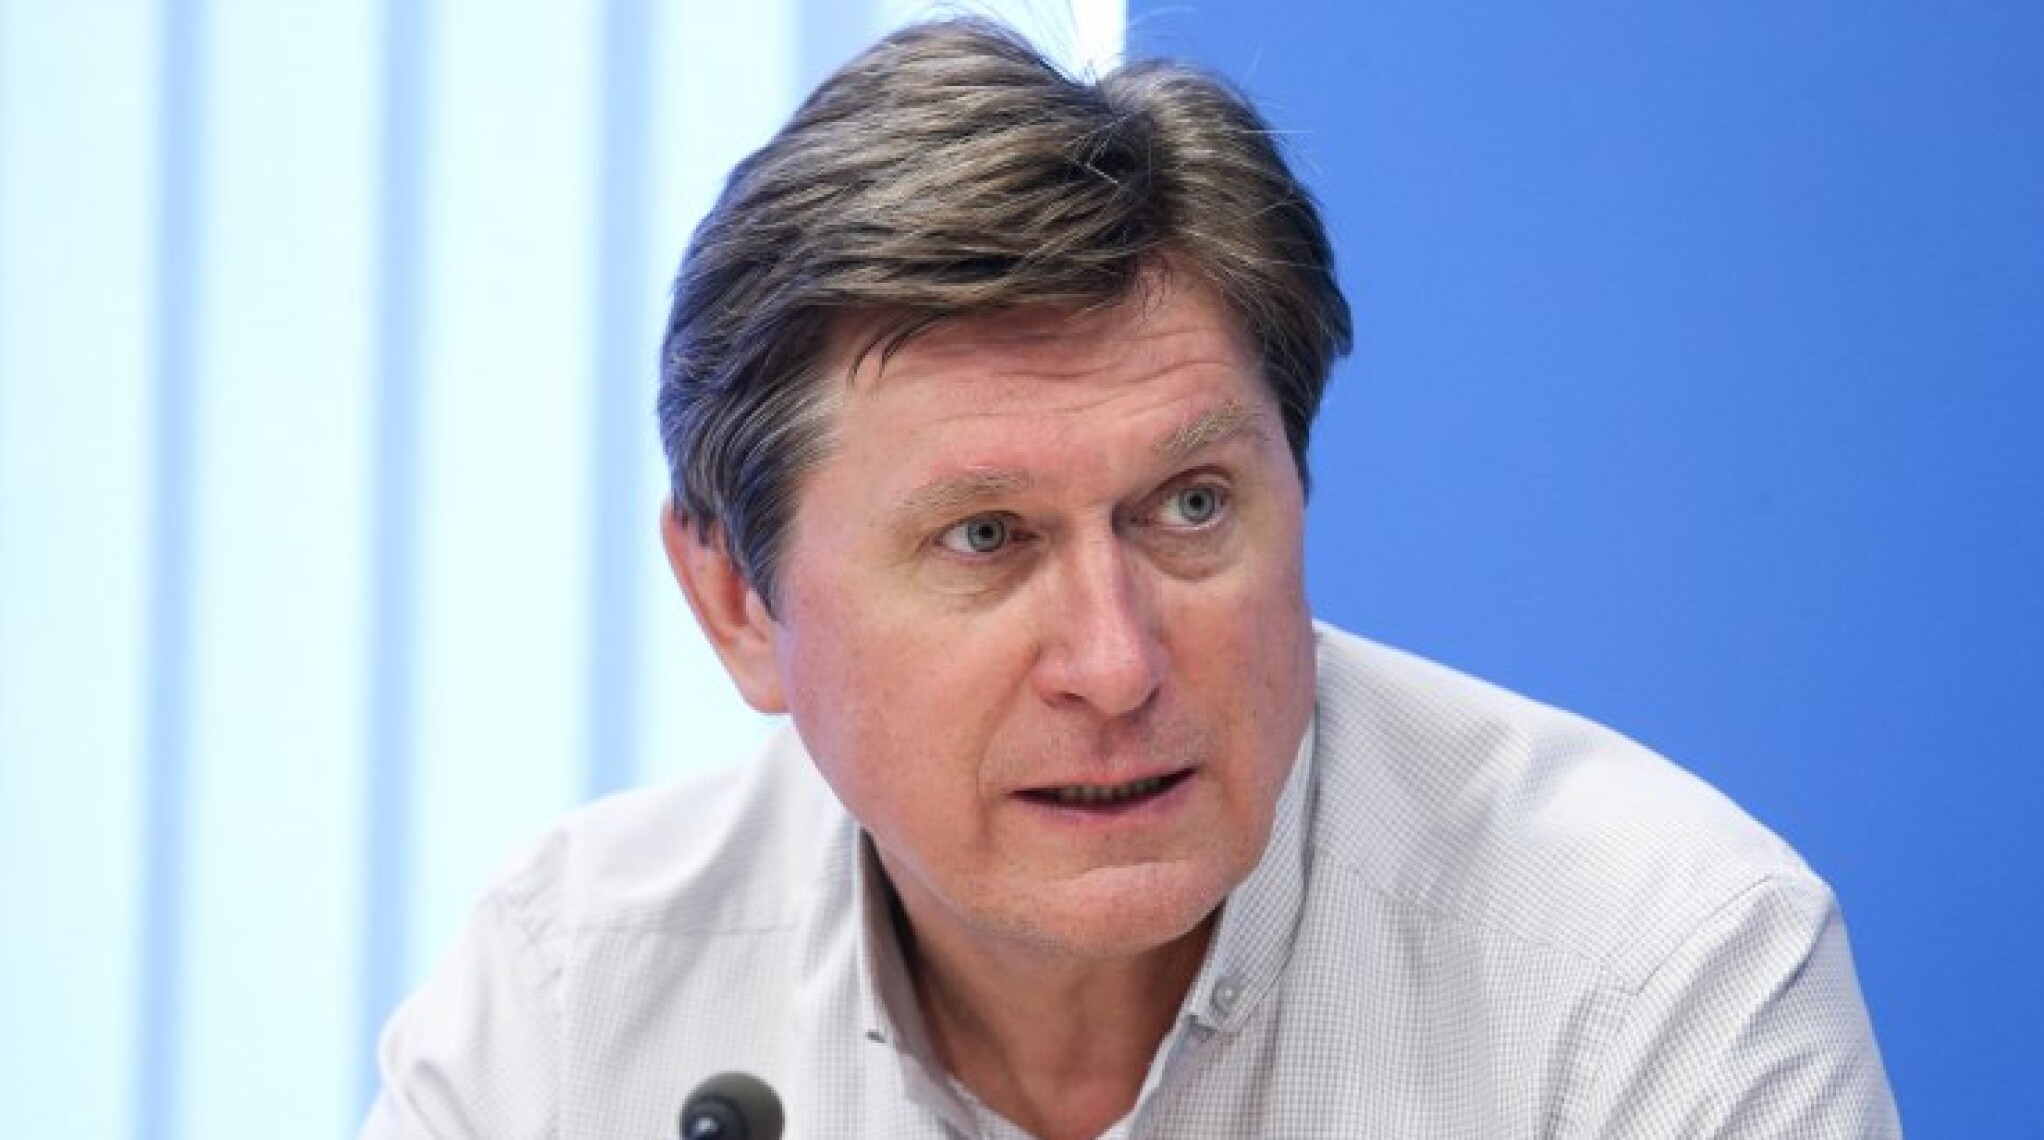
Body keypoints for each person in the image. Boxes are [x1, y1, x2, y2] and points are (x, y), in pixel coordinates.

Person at [360, 17, 1898, 1139]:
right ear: (735, 605)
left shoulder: (1646, 972)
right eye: (985, 537)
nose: (1115, 663)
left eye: (1190, 506)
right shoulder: (574, 1000)